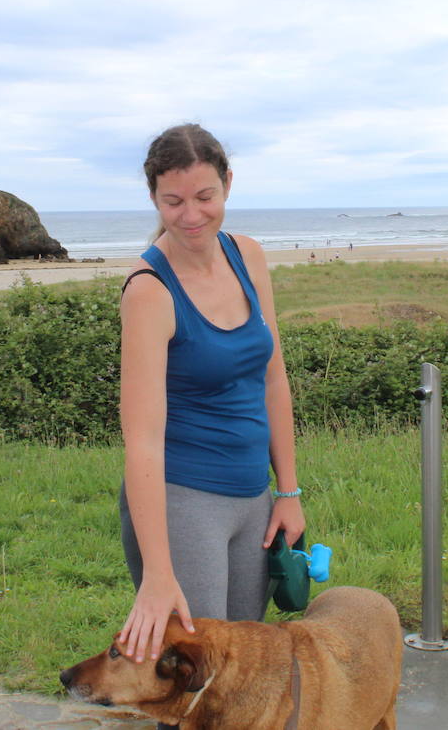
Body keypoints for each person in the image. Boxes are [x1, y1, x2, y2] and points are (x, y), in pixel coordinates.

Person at [115, 123, 305, 688]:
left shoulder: (247, 255)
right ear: (154, 197)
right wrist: (157, 572)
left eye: (204, 197)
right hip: (183, 502)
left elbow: (273, 378)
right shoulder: (149, 291)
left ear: (227, 185)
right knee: (194, 685)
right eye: (173, 201)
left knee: (242, 674)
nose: (191, 215)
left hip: (255, 498)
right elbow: (142, 439)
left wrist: (288, 491)